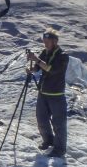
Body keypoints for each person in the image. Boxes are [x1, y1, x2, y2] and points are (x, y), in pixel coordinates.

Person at [26, 28, 69, 158]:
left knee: (59, 123)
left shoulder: (62, 56)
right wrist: (32, 69)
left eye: (47, 41)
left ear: (55, 41)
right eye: (44, 41)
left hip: (56, 95)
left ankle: (60, 149)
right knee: (41, 119)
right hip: (43, 92)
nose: (45, 44)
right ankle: (48, 140)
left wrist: (37, 60)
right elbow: (39, 68)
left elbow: (52, 69)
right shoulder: (45, 52)